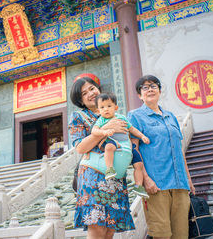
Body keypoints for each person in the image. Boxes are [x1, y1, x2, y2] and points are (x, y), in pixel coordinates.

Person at [127, 75, 196, 239]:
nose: (150, 89)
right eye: (145, 87)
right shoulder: (135, 116)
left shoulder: (170, 116)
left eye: (153, 85)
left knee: (181, 234)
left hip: (180, 184)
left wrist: (189, 180)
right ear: (139, 95)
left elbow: (178, 150)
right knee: (161, 234)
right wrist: (145, 178)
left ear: (159, 90)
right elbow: (133, 150)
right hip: (156, 185)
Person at [69, 77, 135, 239]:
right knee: (97, 226)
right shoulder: (79, 117)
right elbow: (80, 147)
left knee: (110, 228)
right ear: (81, 101)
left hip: (115, 174)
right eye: (84, 93)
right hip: (93, 174)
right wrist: (106, 128)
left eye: (92, 88)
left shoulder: (114, 112)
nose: (90, 94)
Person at [91, 92, 150, 198]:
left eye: (109, 106)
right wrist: (104, 132)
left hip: (127, 145)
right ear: (98, 111)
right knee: (109, 147)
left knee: (139, 164)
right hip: (114, 142)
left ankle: (138, 186)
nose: (106, 109)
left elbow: (132, 129)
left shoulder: (122, 118)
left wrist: (142, 136)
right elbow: (94, 131)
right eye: (102, 107)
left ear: (116, 107)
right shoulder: (101, 120)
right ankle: (109, 168)